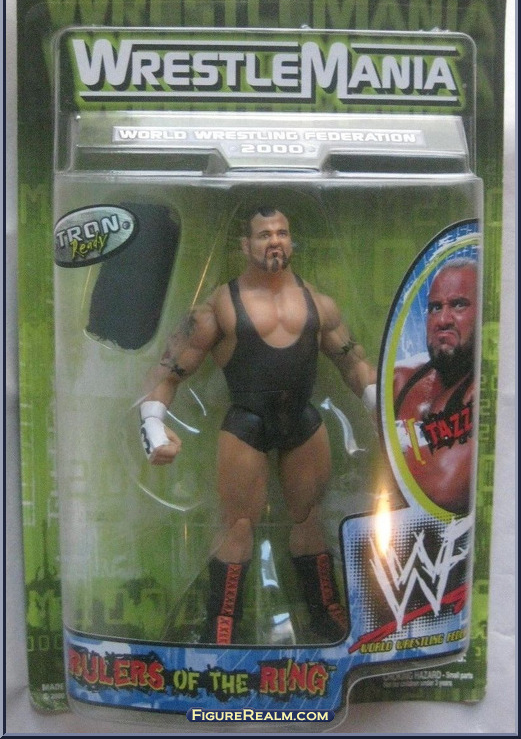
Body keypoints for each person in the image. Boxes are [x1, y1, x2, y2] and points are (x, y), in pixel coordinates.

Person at [139, 207, 377, 645]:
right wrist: (153, 426)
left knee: (309, 520)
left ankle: (327, 619)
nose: (275, 241)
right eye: (264, 234)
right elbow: (168, 372)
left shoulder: (317, 303)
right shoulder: (219, 307)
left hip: (303, 422)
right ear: (244, 245)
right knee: (237, 527)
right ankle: (221, 625)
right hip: (247, 423)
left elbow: (354, 363)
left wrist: (383, 412)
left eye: (282, 232)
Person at [393, 258, 477, 515]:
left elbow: (443, 488)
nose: (442, 320)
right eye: (435, 308)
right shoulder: (402, 379)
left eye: (459, 305)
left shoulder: (489, 391)